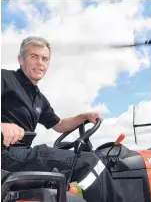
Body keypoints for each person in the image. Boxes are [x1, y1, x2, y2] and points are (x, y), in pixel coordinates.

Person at [1, 36, 124, 202]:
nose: (40, 63)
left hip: (21, 156)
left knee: (72, 171)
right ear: (20, 59)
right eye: (34, 57)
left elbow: (58, 125)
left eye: (44, 58)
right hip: (6, 153)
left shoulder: (39, 99)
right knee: (89, 163)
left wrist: (83, 117)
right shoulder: (5, 78)